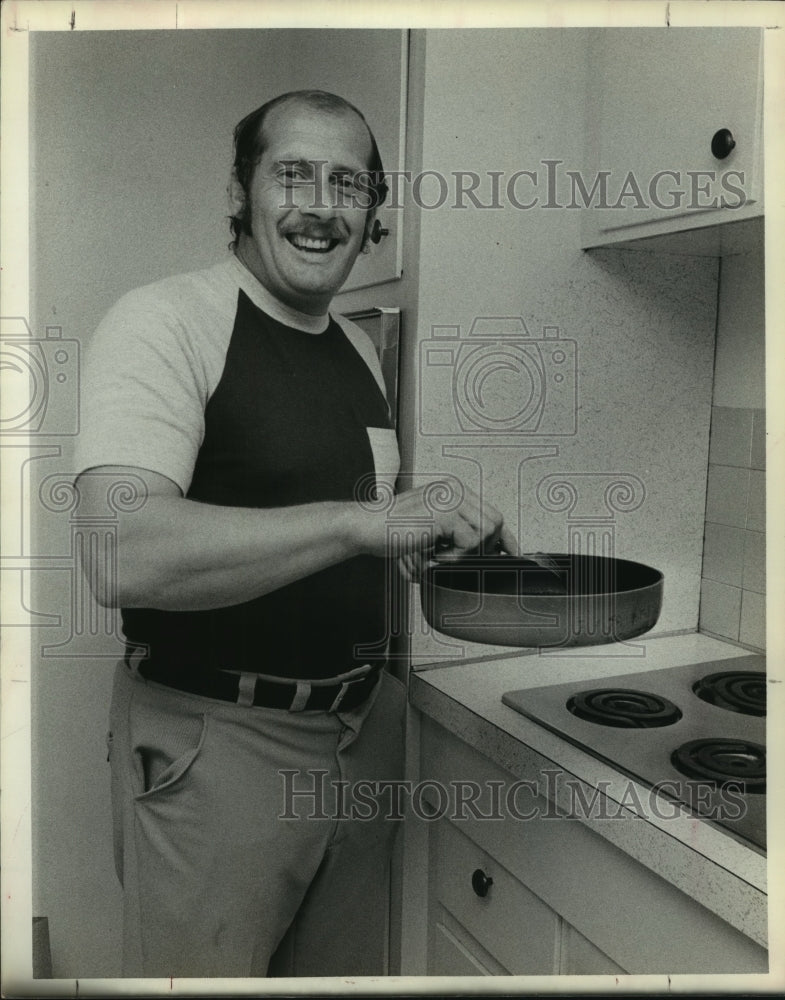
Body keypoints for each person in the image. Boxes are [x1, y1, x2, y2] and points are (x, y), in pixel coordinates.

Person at [75, 89, 514, 978]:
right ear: (240, 193)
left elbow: (337, 529)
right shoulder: (164, 322)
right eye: (293, 175)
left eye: (347, 184)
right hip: (218, 747)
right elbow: (119, 550)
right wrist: (365, 522)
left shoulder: (352, 347)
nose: (321, 207)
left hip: (362, 734)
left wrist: (426, 538)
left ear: (372, 213)